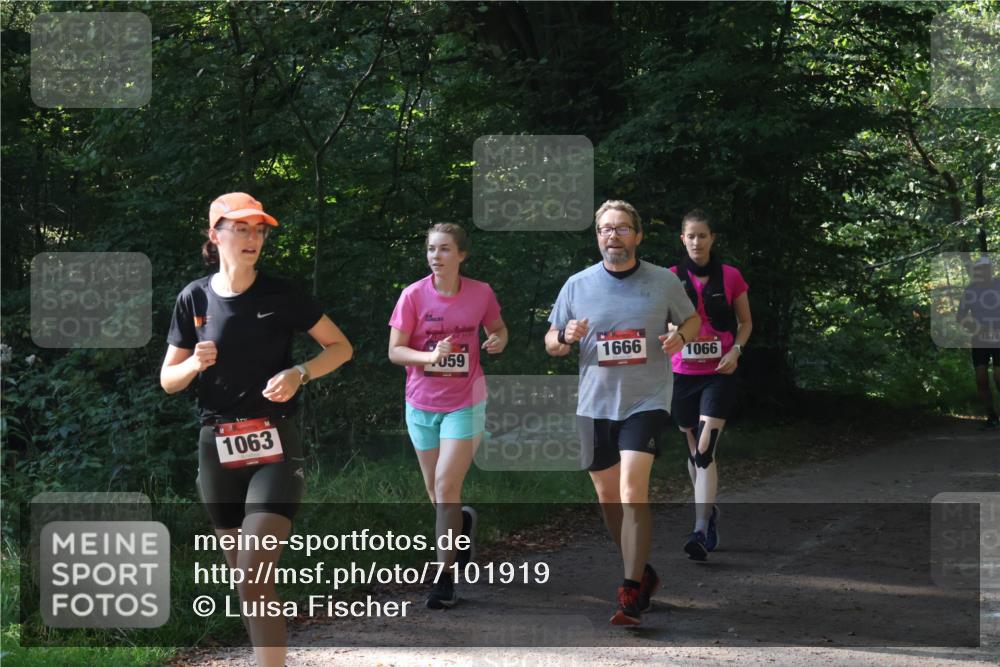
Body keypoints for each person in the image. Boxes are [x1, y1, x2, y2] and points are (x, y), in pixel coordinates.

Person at [161, 192, 353, 667]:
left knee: (252, 572)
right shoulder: (194, 297)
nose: (252, 238)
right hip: (217, 446)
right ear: (215, 235)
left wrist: (300, 373)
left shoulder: (281, 293)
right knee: (246, 581)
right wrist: (193, 367)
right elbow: (168, 380)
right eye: (241, 229)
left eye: (259, 230)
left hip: (275, 443)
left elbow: (340, 347)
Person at [546, 200, 700, 626]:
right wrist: (564, 334)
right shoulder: (577, 285)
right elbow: (552, 344)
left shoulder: (663, 283)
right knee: (608, 497)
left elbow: (693, 323)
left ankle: (630, 590)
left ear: (638, 235)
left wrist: (680, 338)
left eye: (622, 229)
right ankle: (643, 571)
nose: (613, 235)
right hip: (595, 404)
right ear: (598, 236)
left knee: (633, 491)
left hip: (646, 400)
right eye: (605, 229)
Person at [388, 223, 508, 609]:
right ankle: (463, 524)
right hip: (421, 403)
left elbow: (499, 329)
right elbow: (395, 351)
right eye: (430, 250)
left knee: (445, 487)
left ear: (461, 255)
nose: (435, 257)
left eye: (443, 250)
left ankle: (444, 580)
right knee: (436, 492)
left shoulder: (481, 293)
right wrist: (428, 357)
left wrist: (496, 341)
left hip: (466, 401)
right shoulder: (413, 296)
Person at [669, 209, 752, 561]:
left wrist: (736, 350)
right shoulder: (669, 278)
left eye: (703, 235)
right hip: (681, 374)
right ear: (682, 238)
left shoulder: (731, 276)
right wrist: (672, 333)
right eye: (691, 235)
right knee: (693, 449)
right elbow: (659, 321)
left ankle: (700, 528)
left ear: (712, 238)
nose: (697, 242)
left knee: (705, 448)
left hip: (719, 373)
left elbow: (746, 322)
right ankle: (710, 511)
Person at [956, 256, 1000, 430]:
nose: (984, 273)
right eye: (981, 270)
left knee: (998, 377)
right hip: (980, 339)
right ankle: (991, 416)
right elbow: (960, 317)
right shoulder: (970, 291)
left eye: (987, 270)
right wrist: (974, 327)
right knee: (981, 379)